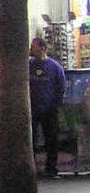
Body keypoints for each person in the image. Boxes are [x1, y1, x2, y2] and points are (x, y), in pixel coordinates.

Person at [29, 36, 67, 178]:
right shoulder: (29, 65)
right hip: (32, 108)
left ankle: (51, 168)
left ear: (43, 48)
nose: (32, 49)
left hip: (49, 108)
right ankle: (31, 167)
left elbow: (61, 87)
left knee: (51, 139)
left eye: (34, 47)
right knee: (31, 139)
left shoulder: (55, 67)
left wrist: (56, 104)